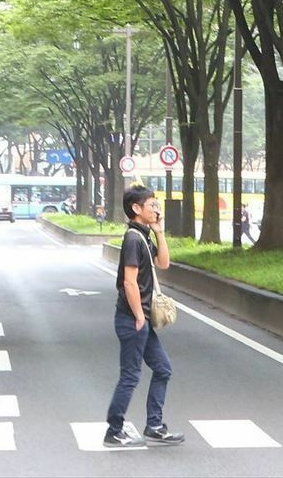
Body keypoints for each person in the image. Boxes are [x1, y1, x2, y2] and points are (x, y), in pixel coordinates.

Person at [103, 185, 183, 449]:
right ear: (136, 209)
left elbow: (164, 264)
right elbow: (129, 282)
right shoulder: (133, 239)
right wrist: (138, 315)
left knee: (163, 369)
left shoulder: (143, 235)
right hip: (133, 319)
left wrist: (160, 233)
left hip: (142, 319)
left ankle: (155, 426)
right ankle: (114, 431)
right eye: (152, 204)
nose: (156, 209)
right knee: (130, 375)